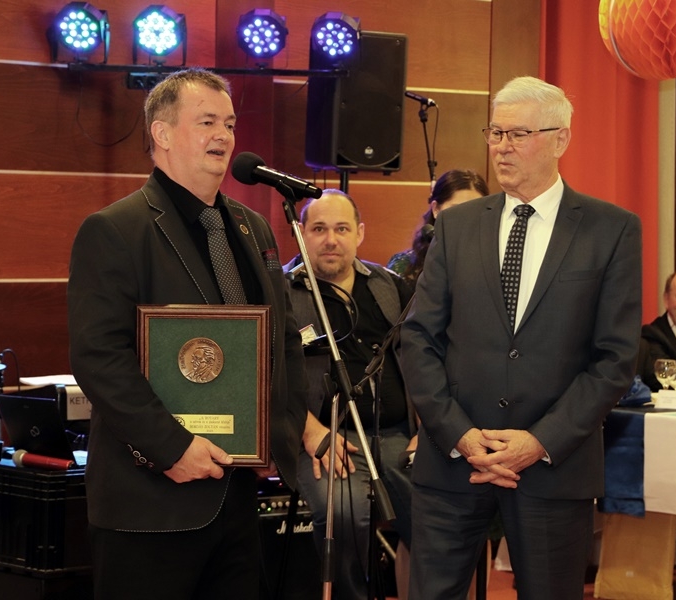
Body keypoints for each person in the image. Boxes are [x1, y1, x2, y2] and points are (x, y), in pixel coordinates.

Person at [67, 68, 308, 600]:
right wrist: (172, 448)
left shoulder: (253, 227)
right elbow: (98, 357)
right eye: (207, 122)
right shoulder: (115, 229)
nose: (224, 136)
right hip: (150, 501)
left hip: (238, 497)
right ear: (162, 133)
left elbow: (283, 341)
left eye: (229, 124)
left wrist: (278, 433)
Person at [399, 76, 643, 600]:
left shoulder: (611, 230)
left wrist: (540, 442)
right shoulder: (458, 226)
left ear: (560, 140)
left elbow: (615, 359)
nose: (501, 147)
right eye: (495, 133)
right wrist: (461, 435)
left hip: (554, 468)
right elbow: (418, 338)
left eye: (518, 134)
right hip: (455, 464)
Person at [283, 190, 416, 600]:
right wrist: (310, 431)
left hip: (397, 435)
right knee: (343, 513)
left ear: (359, 233)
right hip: (323, 437)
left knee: (443, 512)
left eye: (341, 229)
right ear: (301, 233)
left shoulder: (390, 287)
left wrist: (427, 431)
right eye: (319, 229)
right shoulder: (281, 291)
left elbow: (425, 360)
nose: (331, 240)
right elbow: (264, 374)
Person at [387, 169, 490, 284]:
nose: (466, 220)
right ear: (435, 209)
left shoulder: (494, 262)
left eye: (474, 211)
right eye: (456, 210)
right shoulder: (404, 265)